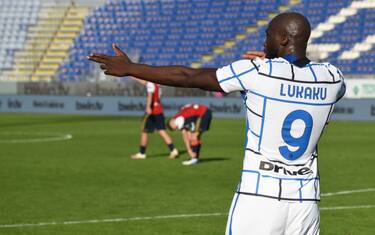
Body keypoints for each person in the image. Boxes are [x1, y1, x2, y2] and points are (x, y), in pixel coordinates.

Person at [89, 12, 346, 235]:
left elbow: (189, 76)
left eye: (268, 35)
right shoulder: (333, 78)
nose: (263, 40)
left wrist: (132, 68)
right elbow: (302, 75)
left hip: (259, 196)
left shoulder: (256, 71)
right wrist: (279, 63)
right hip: (306, 201)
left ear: (283, 39)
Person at [130, 80, 179, 160]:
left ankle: (142, 153)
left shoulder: (150, 83)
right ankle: (173, 150)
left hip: (153, 111)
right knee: (158, 131)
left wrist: (148, 106)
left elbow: (150, 95)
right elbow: (145, 83)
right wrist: (133, 76)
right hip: (159, 109)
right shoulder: (155, 83)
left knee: (147, 131)